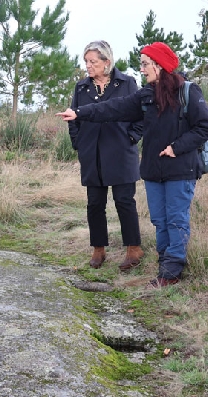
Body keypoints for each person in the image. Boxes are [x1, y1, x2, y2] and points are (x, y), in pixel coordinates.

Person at [57, 42, 208, 287]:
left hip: (181, 168)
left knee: (176, 219)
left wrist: (176, 147)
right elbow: (112, 108)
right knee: (159, 219)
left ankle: (172, 270)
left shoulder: (188, 91)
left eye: (146, 64)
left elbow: (203, 127)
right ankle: (164, 263)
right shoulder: (146, 94)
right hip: (153, 169)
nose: (142, 69)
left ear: (159, 65)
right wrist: (80, 113)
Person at [69, 40, 144, 271]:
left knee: (124, 201)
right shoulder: (81, 88)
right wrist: (79, 143)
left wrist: (131, 137)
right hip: (92, 154)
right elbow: (73, 118)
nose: (88, 66)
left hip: (121, 152)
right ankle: (98, 248)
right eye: (86, 62)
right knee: (94, 203)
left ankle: (133, 248)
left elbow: (141, 116)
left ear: (106, 62)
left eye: (93, 62)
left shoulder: (127, 83)